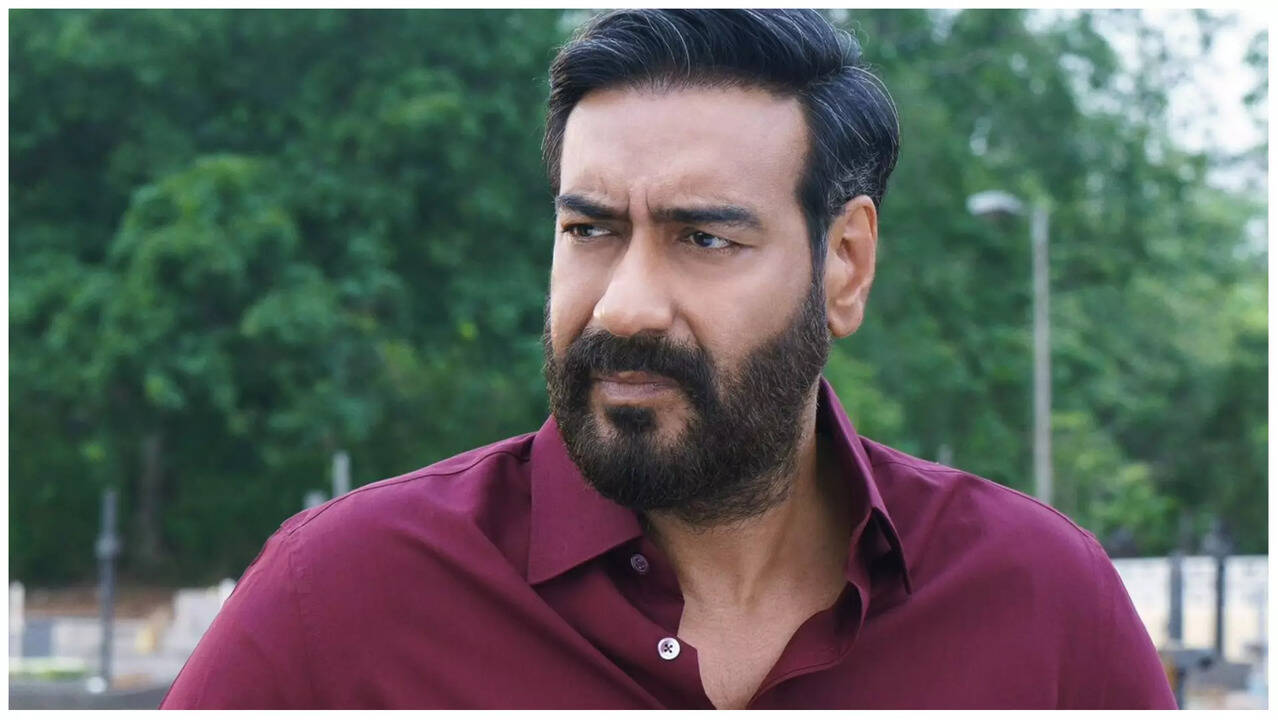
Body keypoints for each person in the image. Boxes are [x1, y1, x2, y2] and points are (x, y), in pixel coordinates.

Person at [160, 9, 1176, 709]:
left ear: (845, 266)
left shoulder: (1043, 604)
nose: (627, 304)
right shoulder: (341, 599)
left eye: (704, 238)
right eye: (591, 230)